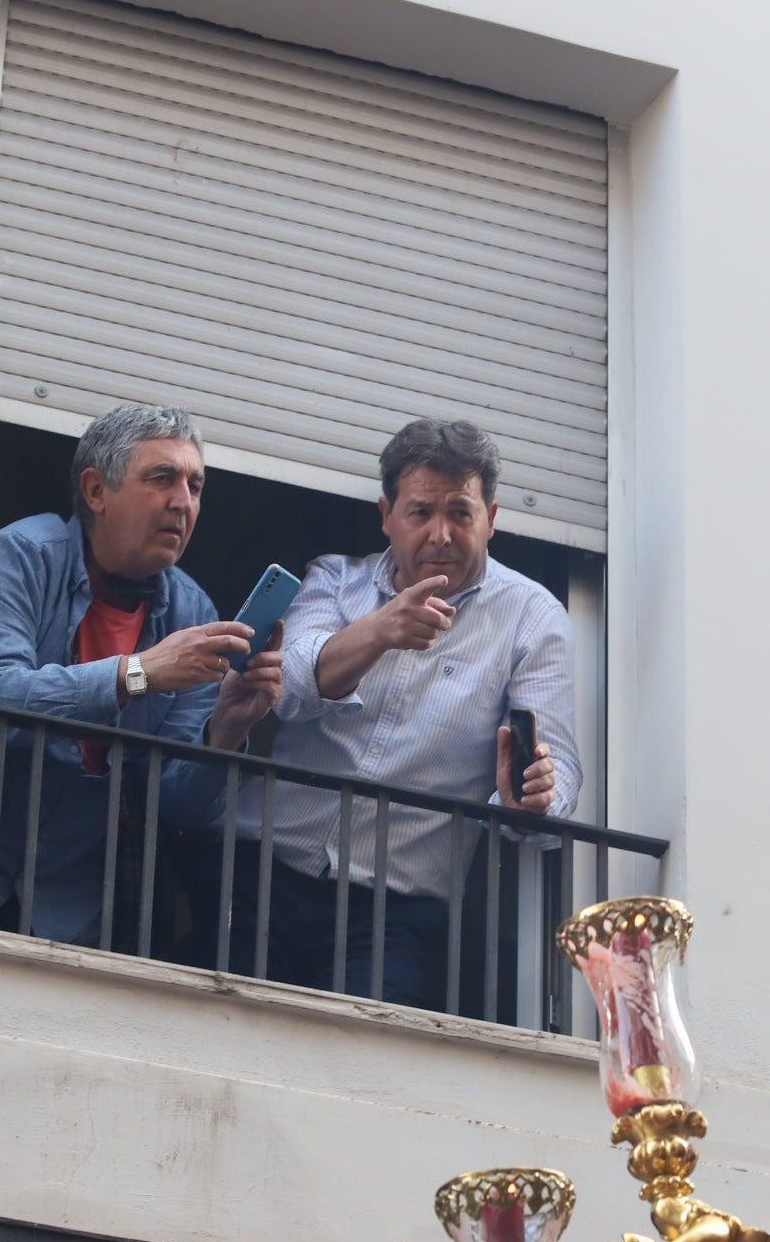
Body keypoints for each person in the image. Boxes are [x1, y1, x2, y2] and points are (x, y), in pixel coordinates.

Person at [228, 419, 580, 1009]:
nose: (440, 534)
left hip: (398, 916)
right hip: (262, 874)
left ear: (491, 518)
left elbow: (558, 770)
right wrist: (380, 630)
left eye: (460, 513)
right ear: (386, 514)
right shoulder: (334, 579)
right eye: (420, 512)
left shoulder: (533, 618)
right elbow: (284, 688)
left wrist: (534, 797)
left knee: (359, 1072)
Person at [0, 403, 282, 944]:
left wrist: (227, 728)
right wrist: (139, 673)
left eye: (195, 486)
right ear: (96, 491)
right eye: (162, 478)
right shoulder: (20, 556)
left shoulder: (192, 611)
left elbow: (179, 804)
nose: (183, 502)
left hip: (74, 912)